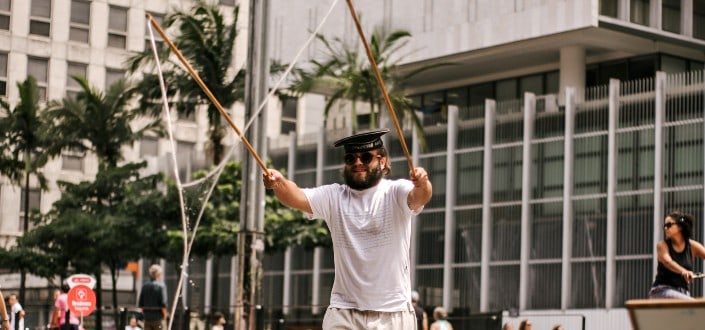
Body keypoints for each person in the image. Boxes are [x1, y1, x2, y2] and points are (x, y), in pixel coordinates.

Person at [263, 129, 433, 329]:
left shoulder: (395, 192)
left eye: (366, 157)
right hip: (344, 311)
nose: (357, 163)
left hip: (393, 313)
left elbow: (420, 196)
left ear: (383, 161)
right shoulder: (334, 196)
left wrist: (422, 182)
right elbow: (296, 196)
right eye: (351, 158)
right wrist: (278, 183)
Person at [649, 210, 705, 299]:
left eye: (669, 225)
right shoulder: (662, 246)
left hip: (683, 293)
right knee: (695, 306)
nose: (665, 228)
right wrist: (684, 271)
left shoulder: (692, 246)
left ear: (680, 227)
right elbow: (668, 262)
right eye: (664, 226)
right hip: (662, 291)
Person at [139, 264, 168, 330]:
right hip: (158, 318)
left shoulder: (145, 286)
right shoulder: (161, 286)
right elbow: (163, 304)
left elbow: (141, 304)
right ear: (158, 274)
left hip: (147, 319)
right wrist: (165, 315)